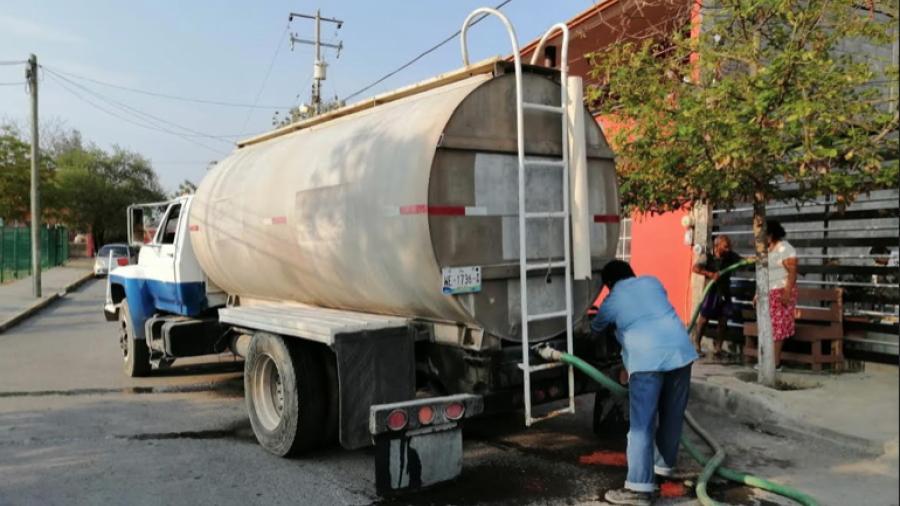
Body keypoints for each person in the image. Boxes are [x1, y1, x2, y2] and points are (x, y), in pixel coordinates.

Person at [592, 261, 699, 506]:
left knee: (642, 425)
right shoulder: (652, 282)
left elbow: (596, 329)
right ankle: (662, 469)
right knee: (672, 415)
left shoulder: (611, 301)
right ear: (631, 273)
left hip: (647, 360)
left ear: (608, 284)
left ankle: (639, 490)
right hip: (681, 354)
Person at [754, 220, 798, 372]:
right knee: (767, 327)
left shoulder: (785, 249)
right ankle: (766, 361)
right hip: (768, 292)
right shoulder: (767, 250)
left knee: (778, 328)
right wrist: (758, 293)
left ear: (771, 235)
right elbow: (764, 274)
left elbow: (792, 272)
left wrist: (787, 292)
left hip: (781, 292)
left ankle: (775, 363)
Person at [692, 235, 744, 358]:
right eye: (725, 247)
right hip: (710, 291)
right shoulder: (707, 256)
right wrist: (710, 274)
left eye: (729, 246)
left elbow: (742, 261)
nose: (728, 249)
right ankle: (696, 346)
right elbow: (695, 268)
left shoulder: (730, 256)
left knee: (723, 321)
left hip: (724, 292)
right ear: (717, 246)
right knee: (703, 320)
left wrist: (753, 260)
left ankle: (718, 348)